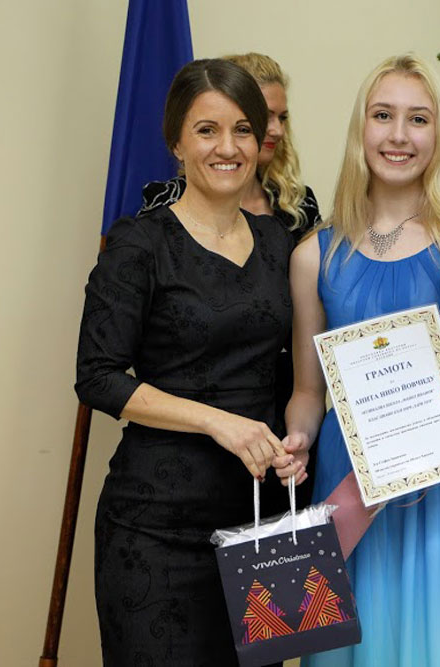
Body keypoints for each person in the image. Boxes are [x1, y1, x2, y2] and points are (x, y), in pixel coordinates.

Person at [276, 54, 440, 667]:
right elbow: (308, 392)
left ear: (439, 134)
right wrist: (297, 440)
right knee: (354, 647)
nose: (399, 135)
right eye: (383, 115)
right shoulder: (314, 256)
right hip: (347, 485)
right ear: (361, 127)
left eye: (419, 118)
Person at [76, 58, 297, 665]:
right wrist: (217, 422)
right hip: (155, 531)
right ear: (176, 142)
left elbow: (299, 370)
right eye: (207, 130)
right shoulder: (138, 244)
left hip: (261, 524)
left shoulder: (280, 244)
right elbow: (97, 377)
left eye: (243, 130)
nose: (228, 147)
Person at [140, 53, 321, 500]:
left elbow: (316, 314)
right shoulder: (159, 221)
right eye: (264, 116)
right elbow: (105, 370)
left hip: (282, 431)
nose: (274, 129)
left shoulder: (292, 213)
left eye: (280, 118)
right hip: (184, 453)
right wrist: (216, 419)